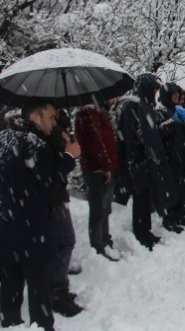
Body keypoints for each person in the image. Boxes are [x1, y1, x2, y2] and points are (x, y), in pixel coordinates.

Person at [0, 98, 79, 331]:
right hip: (33, 232)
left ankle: (11, 325)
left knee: (10, 291)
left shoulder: (3, 139)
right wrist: (68, 157)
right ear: (35, 116)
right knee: (39, 292)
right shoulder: (34, 143)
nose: (54, 123)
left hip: (6, 230)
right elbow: (49, 182)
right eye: (52, 117)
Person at [114, 73, 178, 249]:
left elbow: (151, 133)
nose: (156, 92)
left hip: (147, 159)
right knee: (140, 198)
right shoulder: (132, 105)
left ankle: (145, 231)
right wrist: (135, 159)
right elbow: (130, 136)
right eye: (154, 89)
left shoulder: (145, 105)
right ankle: (141, 233)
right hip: (138, 161)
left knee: (146, 197)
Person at [47, 109, 85, 317]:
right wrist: (66, 150)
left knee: (65, 242)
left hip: (58, 195)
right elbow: (53, 166)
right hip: (52, 198)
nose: (54, 119)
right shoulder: (41, 134)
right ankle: (56, 292)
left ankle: (60, 288)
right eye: (51, 116)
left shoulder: (55, 126)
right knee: (64, 242)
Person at [74, 97, 121, 261]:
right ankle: (98, 246)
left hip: (103, 167)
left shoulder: (98, 112)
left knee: (104, 208)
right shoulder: (88, 112)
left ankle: (105, 240)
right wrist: (105, 165)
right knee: (98, 209)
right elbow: (95, 142)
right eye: (112, 96)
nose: (115, 99)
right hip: (97, 169)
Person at [154, 82, 185, 230]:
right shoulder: (160, 111)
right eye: (174, 94)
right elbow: (158, 133)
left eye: (178, 94)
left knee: (181, 186)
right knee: (171, 188)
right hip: (170, 157)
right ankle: (170, 219)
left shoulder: (178, 109)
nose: (177, 96)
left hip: (182, 155)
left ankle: (179, 213)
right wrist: (173, 121)